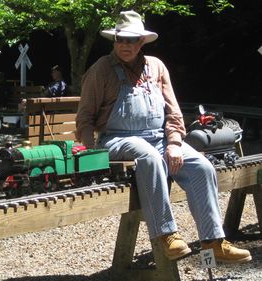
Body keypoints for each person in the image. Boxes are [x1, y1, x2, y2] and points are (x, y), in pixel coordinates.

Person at [76, 10, 252, 263]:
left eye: (131, 39)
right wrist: (90, 158)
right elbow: (84, 118)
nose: (125, 45)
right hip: (116, 140)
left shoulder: (156, 67)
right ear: (114, 41)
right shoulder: (100, 70)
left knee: (202, 166)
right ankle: (166, 235)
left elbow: (173, 112)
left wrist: (174, 143)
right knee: (148, 156)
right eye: (121, 39)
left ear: (141, 42)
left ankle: (213, 241)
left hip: (159, 138)